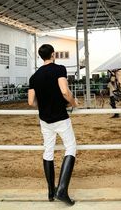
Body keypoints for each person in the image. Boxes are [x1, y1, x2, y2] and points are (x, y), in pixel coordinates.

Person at [28, 44, 78, 206]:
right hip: (61, 117)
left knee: (48, 151)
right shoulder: (59, 69)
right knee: (70, 147)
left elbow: (30, 102)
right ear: (53, 54)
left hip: (45, 120)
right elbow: (65, 91)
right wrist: (73, 103)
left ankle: (51, 191)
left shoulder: (34, 77)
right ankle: (62, 189)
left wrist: (43, 105)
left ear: (41, 56)